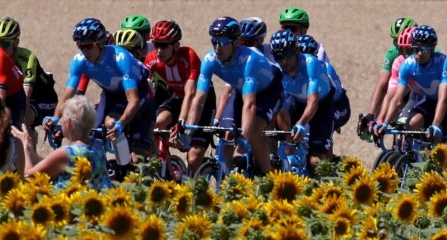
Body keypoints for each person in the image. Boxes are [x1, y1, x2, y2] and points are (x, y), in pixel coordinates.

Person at [186, 17, 284, 174]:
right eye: (214, 41)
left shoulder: (250, 60)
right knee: (226, 133)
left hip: (269, 91)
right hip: (241, 91)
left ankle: (270, 176)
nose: (218, 47)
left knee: (253, 132)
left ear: (236, 42)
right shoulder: (209, 60)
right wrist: (188, 132)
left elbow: (250, 104)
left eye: (223, 42)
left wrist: (244, 136)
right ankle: (227, 181)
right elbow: (198, 100)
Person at [49, 18, 156, 161]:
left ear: (100, 43)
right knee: (89, 134)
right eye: (80, 47)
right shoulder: (79, 61)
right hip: (111, 95)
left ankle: (125, 165)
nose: (84, 51)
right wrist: (55, 118)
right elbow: (67, 95)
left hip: (140, 92)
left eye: (88, 46)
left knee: (114, 126)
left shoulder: (120, 58)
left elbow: (133, 100)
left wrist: (121, 124)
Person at [377, 25, 447, 154]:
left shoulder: (443, 62)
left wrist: (436, 124)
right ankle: (412, 155)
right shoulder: (408, 65)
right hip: (430, 100)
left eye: (423, 49)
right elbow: (396, 99)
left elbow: (443, 98)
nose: (418, 53)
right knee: (412, 123)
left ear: (432, 50)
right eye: (415, 49)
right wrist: (384, 122)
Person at [145, 19, 212, 174]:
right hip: (178, 97)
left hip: (201, 101)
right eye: (156, 45)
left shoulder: (188, 56)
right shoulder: (152, 59)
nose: (159, 50)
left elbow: (191, 93)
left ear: (176, 45)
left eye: (164, 45)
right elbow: (144, 87)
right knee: (157, 123)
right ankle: (166, 168)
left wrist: (182, 122)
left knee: (193, 158)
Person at [14, 95, 110, 188]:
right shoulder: (98, 149)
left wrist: (25, 147)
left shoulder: (66, 153)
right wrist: (31, 150)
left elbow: (28, 178)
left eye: (62, 118)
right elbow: (51, 163)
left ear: (68, 124)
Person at [271, 30, 335, 168]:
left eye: (287, 55)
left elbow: (313, 101)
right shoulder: (278, 70)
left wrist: (301, 124)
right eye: (278, 56)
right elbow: (276, 103)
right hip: (298, 101)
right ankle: (290, 153)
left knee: (315, 161)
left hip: (322, 105)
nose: (283, 61)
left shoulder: (310, 63)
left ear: (296, 52)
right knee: (280, 111)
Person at [0, 17, 58, 130]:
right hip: (16, 96)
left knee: (20, 120)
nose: (0, 48)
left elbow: (25, 97)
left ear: (16, 42)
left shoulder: (27, 58)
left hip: (42, 99)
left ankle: (26, 141)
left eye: (4, 44)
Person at [359, 17, 414, 139]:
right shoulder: (395, 54)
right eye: (395, 41)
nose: (399, 46)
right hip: (404, 89)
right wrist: (372, 117)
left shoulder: (425, 54)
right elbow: (383, 86)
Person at [299, 34, 351, 132]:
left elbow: (335, 98)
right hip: (313, 105)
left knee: (322, 126)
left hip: (337, 105)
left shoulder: (325, 69)